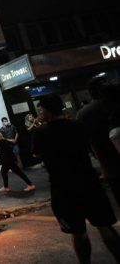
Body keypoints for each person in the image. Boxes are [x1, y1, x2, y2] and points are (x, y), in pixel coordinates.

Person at [32, 94, 120, 263]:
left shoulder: (40, 132)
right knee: (105, 227)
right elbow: (89, 146)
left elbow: (36, 153)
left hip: (63, 188)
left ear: (45, 110)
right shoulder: (78, 125)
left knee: (78, 233)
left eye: (41, 109)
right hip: (89, 183)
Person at [76, 78, 120, 207]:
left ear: (90, 93)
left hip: (110, 165)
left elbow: (87, 143)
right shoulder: (115, 105)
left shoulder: (84, 114)